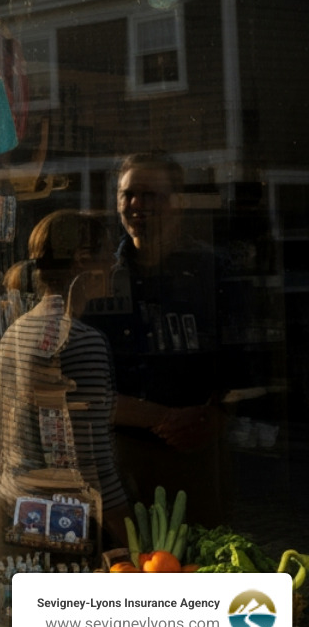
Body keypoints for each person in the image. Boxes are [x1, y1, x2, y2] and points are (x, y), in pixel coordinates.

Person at [86, 152, 233, 524]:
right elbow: (82, 382)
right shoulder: (98, 279)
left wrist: (219, 415)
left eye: (150, 195)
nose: (136, 205)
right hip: (119, 456)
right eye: (128, 194)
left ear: (178, 202)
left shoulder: (213, 272)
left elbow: (243, 364)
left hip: (196, 453)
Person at [0, 211, 129, 546]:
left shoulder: (15, 332)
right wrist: (136, 541)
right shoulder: (81, 340)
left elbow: (1, 433)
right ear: (84, 261)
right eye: (108, 254)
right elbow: (93, 462)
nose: (115, 263)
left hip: (16, 504)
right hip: (68, 522)